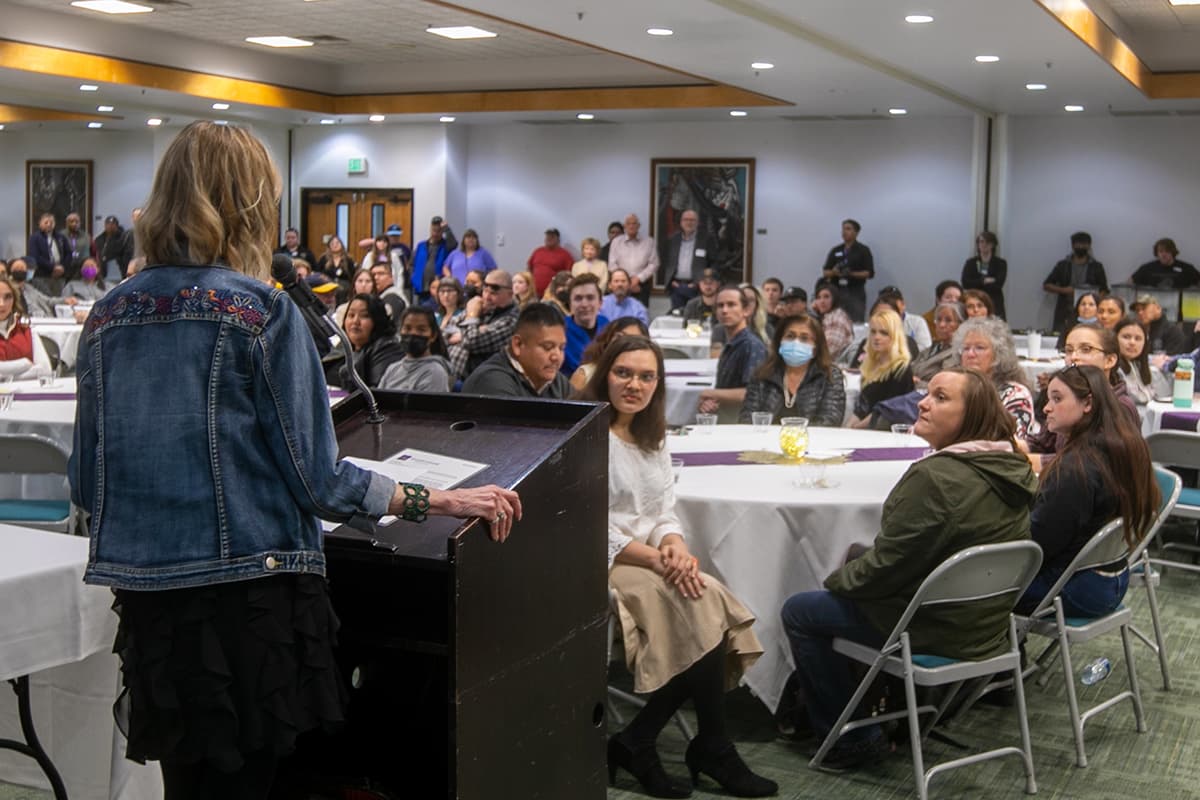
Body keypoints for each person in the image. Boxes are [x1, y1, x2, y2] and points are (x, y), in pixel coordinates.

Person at [67, 121, 519, 800]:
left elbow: (84, 477)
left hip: (151, 598)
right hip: (248, 598)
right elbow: (320, 482)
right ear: (250, 204)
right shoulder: (261, 313)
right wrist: (439, 501)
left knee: (189, 784)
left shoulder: (107, 315)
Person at [781, 368, 1037, 769]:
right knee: (856, 560)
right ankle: (891, 714)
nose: (922, 402)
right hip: (988, 626)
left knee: (801, 609)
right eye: (927, 393)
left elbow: (886, 566)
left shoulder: (936, 477)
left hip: (933, 629)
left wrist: (833, 580)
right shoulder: (1011, 466)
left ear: (971, 416)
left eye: (940, 397)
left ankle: (852, 739)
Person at [577, 337, 776, 798]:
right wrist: (657, 558)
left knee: (702, 594)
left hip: (647, 554)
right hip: (595, 558)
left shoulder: (653, 436)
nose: (635, 384)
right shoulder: (587, 433)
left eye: (647, 377)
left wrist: (676, 546)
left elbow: (663, 509)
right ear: (605, 373)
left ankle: (646, 741)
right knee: (697, 606)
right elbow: (585, 519)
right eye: (624, 373)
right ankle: (707, 747)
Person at [1016, 365, 1159, 617]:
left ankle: (1008, 651)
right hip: (1113, 578)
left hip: (1075, 589)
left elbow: (1037, 547)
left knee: (974, 589)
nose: (1046, 408)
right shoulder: (1122, 445)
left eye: (1057, 399)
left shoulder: (1075, 467)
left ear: (1088, 403)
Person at [1024, 324, 1139, 471]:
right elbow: (1041, 442)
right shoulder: (1069, 397)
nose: (1074, 357)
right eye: (1069, 350)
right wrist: (1007, 447)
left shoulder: (1120, 406)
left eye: (1086, 349)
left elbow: (1095, 462)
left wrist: (1028, 462)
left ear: (1109, 360)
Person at [739, 314, 846, 426]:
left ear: (815, 349)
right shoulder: (762, 374)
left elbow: (830, 421)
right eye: (790, 336)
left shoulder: (830, 376)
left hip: (811, 441)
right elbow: (747, 419)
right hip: (766, 441)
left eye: (804, 338)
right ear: (779, 342)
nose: (796, 342)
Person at [462, 302, 571, 399]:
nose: (556, 357)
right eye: (547, 347)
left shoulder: (557, 381)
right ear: (518, 345)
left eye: (561, 348)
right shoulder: (491, 382)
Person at [953, 317, 1035, 437]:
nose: (970, 354)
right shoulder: (956, 388)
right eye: (966, 348)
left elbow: (1014, 439)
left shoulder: (1015, 395)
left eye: (979, 348)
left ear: (999, 354)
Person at [697, 285, 768, 417]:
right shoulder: (732, 343)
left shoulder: (751, 346)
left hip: (743, 422)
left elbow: (752, 393)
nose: (725, 310)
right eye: (720, 305)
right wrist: (712, 401)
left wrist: (710, 393)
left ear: (746, 310)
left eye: (731, 305)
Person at [449, 269, 520, 379]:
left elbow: (472, 341)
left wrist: (472, 316)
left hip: (479, 381)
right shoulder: (482, 307)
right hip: (452, 373)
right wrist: (475, 329)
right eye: (485, 291)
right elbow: (446, 332)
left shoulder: (511, 320)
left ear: (510, 294)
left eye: (493, 293)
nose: (487, 297)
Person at [849, 308, 913, 429]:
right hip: (866, 429)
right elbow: (861, 407)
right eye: (873, 332)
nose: (876, 337)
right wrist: (848, 428)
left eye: (884, 333)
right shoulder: (870, 364)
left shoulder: (901, 368)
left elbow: (887, 411)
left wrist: (855, 428)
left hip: (887, 431)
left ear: (895, 336)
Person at [328, 293, 405, 388]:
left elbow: (377, 393)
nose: (355, 321)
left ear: (377, 320)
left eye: (364, 316)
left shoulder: (387, 348)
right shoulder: (344, 347)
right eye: (351, 315)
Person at [1043, 232, 1109, 332]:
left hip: (1089, 310)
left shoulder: (1096, 267)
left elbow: (1104, 289)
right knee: (1061, 335)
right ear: (1073, 245)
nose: (1081, 246)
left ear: (1089, 245)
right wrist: (1064, 290)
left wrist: (1095, 300)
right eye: (1078, 244)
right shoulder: (1063, 265)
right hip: (1065, 308)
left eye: (1084, 244)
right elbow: (1047, 285)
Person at [378, 306, 452, 393]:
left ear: (433, 336)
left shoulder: (435, 372)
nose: (413, 333)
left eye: (421, 330)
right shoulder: (392, 369)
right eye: (407, 328)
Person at [568, 316, 649, 391]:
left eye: (632, 340)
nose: (624, 343)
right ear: (608, 339)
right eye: (619, 337)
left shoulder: (647, 381)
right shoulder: (584, 375)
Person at [820, 218, 874, 322]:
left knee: (856, 322)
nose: (844, 232)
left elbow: (869, 273)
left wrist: (851, 274)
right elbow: (825, 272)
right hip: (836, 292)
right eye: (843, 229)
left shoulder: (863, 250)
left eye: (848, 229)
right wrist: (834, 272)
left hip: (855, 293)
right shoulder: (836, 250)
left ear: (856, 232)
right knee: (834, 320)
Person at [658, 209, 710, 310]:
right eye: (686, 220)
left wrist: (700, 282)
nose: (689, 222)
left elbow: (713, 263)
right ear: (681, 222)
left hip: (697, 287)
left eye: (692, 220)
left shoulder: (706, 240)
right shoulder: (672, 239)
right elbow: (664, 261)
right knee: (677, 317)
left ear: (697, 222)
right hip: (677, 285)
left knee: (696, 317)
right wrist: (671, 281)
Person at [1115, 316, 1171, 405]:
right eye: (1126, 337)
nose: (1132, 343)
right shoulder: (1114, 371)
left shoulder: (1150, 368)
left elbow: (1166, 399)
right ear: (1115, 338)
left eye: (1138, 338)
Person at [609, 213, 660, 307]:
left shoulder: (649, 242)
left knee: (640, 317)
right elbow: (612, 264)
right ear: (624, 226)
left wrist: (638, 279)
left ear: (639, 226)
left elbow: (654, 264)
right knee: (619, 316)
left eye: (634, 223)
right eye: (629, 223)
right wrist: (625, 281)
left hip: (641, 286)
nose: (631, 226)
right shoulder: (616, 242)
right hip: (620, 285)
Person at [563, 272, 608, 376]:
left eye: (590, 298)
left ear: (600, 303)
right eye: (578, 298)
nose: (584, 304)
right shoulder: (560, 330)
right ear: (570, 304)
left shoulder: (607, 326)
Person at [912, 302, 965, 383]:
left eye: (948, 320)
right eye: (939, 319)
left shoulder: (958, 353)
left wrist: (915, 382)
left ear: (961, 324)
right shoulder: (932, 348)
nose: (942, 325)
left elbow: (944, 385)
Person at [961, 231, 1008, 320]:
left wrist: (976, 282)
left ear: (993, 245)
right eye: (981, 242)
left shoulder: (1001, 263)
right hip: (974, 300)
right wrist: (983, 281)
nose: (984, 244)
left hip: (994, 301)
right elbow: (965, 282)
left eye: (987, 242)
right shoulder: (971, 262)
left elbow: (999, 284)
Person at [411, 216, 456, 303]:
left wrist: (447, 229)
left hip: (437, 288)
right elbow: (412, 264)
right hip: (420, 287)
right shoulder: (421, 245)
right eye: (433, 230)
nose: (435, 233)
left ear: (442, 232)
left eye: (438, 231)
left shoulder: (446, 246)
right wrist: (413, 277)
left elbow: (453, 244)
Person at [876, 286, 931, 351]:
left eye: (893, 304)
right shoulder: (876, 324)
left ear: (903, 304)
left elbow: (926, 347)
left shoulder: (917, 322)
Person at [28, 212, 70, 295]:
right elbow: (35, 256)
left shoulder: (61, 237)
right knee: (44, 299)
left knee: (58, 298)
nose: (49, 225)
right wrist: (53, 267)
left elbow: (68, 254)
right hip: (42, 275)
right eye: (46, 222)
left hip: (60, 275)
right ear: (40, 223)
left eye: (51, 222)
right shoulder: (35, 238)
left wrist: (62, 267)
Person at [809, 281, 853, 361]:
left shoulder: (836, 318)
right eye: (818, 298)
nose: (822, 301)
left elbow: (828, 351)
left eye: (826, 297)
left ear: (834, 299)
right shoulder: (827, 316)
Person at [1131, 238, 1199, 290]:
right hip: (1152, 306)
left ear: (1173, 252)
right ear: (1157, 253)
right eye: (1161, 251)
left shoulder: (1186, 268)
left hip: (1180, 305)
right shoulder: (1147, 268)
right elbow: (1128, 284)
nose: (1164, 254)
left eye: (1167, 251)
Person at [527, 227, 574, 296]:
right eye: (547, 236)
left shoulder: (565, 255)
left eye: (552, 237)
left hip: (552, 294)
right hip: (534, 292)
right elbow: (529, 268)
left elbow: (569, 274)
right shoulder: (538, 251)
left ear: (558, 239)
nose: (549, 238)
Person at [0, 275, 33, 362]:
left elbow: (45, 368)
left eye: (8, 297)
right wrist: (25, 365)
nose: (2, 304)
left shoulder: (25, 328)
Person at [95, 215, 136, 283]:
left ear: (117, 225)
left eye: (113, 224)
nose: (110, 226)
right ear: (105, 225)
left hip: (119, 271)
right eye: (108, 224)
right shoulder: (99, 239)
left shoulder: (124, 237)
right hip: (103, 272)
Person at [62, 212, 93, 281]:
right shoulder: (61, 235)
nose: (74, 224)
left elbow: (86, 252)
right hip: (65, 267)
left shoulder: (85, 236)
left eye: (77, 222)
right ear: (67, 223)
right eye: (71, 221)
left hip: (80, 267)